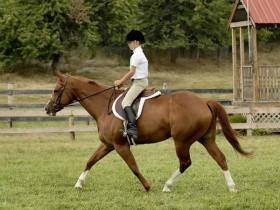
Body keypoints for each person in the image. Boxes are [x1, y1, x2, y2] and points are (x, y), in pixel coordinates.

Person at [114, 30, 149, 140]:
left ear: (135, 42)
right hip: (138, 82)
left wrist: (120, 81)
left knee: (125, 102)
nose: (128, 44)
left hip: (139, 83)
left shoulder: (136, 55)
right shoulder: (139, 53)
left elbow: (131, 72)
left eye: (129, 42)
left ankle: (133, 129)